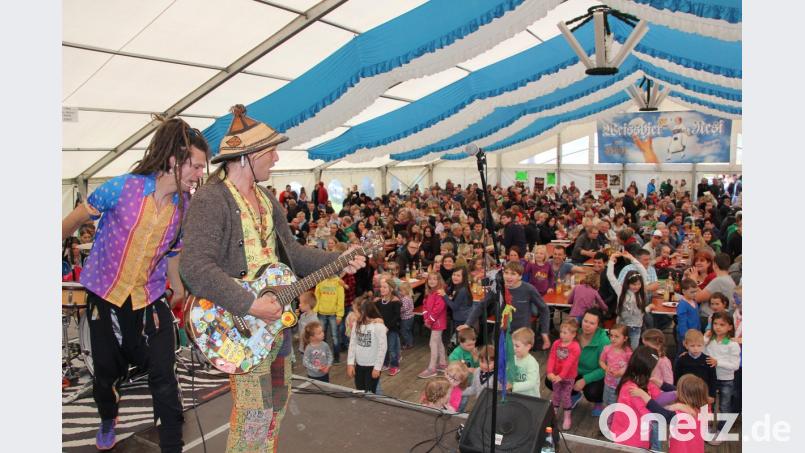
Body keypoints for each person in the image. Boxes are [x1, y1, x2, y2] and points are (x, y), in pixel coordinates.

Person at [179, 106, 365, 452]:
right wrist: (250, 304)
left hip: (275, 326)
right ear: (246, 157)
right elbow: (194, 266)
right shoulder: (211, 198)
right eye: (270, 152)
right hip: (242, 325)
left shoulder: (266, 199)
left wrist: (338, 261)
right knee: (253, 416)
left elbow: (292, 254)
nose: (277, 158)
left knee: (275, 408)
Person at [61, 117, 208, 452]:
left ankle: (172, 444)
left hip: (149, 296)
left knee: (164, 375)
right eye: (196, 166)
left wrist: (179, 290)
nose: (200, 174)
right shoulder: (123, 188)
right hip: (105, 295)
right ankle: (107, 418)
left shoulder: (182, 208)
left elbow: (173, 253)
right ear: (174, 160)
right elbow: (77, 218)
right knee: (107, 374)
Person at [546, 308, 610, 416]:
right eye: (585, 321)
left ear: (598, 325)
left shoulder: (604, 341)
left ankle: (598, 402)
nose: (587, 325)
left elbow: (606, 369)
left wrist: (585, 380)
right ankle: (574, 394)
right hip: (572, 372)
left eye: (592, 323)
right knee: (551, 381)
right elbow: (557, 355)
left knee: (592, 392)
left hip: (594, 374)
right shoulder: (574, 334)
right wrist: (552, 372)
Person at [629, 374, 710, 452]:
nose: (676, 391)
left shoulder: (683, 416)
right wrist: (662, 384)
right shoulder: (704, 408)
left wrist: (644, 396)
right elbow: (682, 390)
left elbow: (662, 414)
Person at [704, 311, 741, 443]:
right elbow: (702, 353)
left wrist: (717, 362)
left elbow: (735, 365)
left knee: (724, 406)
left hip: (726, 380)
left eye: (722, 324)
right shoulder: (709, 341)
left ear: (730, 327)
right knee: (708, 404)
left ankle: (722, 431)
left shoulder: (732, 345)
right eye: (715, 324)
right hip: (710, 379)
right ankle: (705, 428)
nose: (718, 327)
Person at [607, 252, 648, 350]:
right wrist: (611, 260)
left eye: (638, 284)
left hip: (636, 328)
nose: (636, 287)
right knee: (618, 349)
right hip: (621, 328)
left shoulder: (642, 292)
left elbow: (643, 271)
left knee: (632, 351)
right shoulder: (621, 291)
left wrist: (632, 258)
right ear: (627, 283)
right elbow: (610, 276)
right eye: (633, 284)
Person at [546, 319, 582, 430]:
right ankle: (554, 413)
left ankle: (567, 416)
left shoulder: (575, 347)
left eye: (565, 332)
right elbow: (552, 357)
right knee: (556, 395)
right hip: (556, 376)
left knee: (566, 397)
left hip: (568, 377)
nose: (562, 334)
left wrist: (561, 376)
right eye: (561, 331)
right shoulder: (556, 343)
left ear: (573, 334)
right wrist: (549, 372)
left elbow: (569, 364)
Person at [347, 297, 388, 393]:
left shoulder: (378, 326)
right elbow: (352, 344)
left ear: (363, 313)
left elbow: (383, 348)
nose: (353, 314)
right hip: (359, 365)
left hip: (372, 366)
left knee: (371, 392)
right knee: (360, 389)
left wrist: (377, 368)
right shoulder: (356, 325)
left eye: (355, 311)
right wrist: (350, 363)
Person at [673, 329, 717, 402]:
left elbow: (713, 379)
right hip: (686, 395)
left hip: (704, 395)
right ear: (686, 345)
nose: (696, 348)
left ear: (703, 344)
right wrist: (677, 392)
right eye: (692, 346)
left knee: (703, 413)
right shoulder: (681, 360)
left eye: (699, 345)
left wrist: (712, 395)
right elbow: (677, 378)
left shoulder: (708, 360)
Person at [418, 272, 448, 378]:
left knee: (433, 343)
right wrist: (426, 318)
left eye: (435, 279)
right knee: (438, 342)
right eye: (430, 279)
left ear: (439, 281)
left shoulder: (440, 293)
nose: (432, 281)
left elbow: (438, 309)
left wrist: (429, 321)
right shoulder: (429, 292)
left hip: (438, 322)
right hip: (432, 321)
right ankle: (443, 363)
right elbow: (425, 307)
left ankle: (432, 368)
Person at [599, 324, 632, 413]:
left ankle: (615, 420)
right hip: (608, 382)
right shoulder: (607, 349)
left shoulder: (628, 352)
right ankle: (606, 419)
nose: (613, 339)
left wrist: (622, 371)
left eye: (616, 336)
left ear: (625, 338)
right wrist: (606, 368)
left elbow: (631, 366)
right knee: (606, 401)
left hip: (620, 384)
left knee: (616, 404)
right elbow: (601, 361)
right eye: (611, 336)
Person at [375, 275, 402, 376]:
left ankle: (395, 365)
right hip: (382, 329)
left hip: (392, 329)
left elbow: (396, 317)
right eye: (381, 287)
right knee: (383, 347)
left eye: (385, 287)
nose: (382, 289)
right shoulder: (379, 301)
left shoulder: (395, 302)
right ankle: (385, 363)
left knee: (392, 348)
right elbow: (376, 314)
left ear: (391, 289)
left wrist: (387, 327)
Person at [315, 275, 345, 363]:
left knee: (335, 337)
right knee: (321, 337)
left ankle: (336, 358)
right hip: (321, 314)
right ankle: (323, 357)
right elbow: (317, 297)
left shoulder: (338, 282)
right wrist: (314, 311)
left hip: (333, 315)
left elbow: (341, 299)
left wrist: (339, 315)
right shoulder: (320, 280)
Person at [509, 327, 541, 397]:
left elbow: (531, 383)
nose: (513, 348)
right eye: (513, 345)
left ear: (528, 347)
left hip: (530, 397)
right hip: (517, 396)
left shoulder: (531, 362)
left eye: (517, 346)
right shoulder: (513, 359)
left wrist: (513, 386)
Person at [675, 279, 701, 355]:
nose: (694, 294)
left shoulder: (694, 301)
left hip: (694, 333)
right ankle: (678, 366)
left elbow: (697, 318)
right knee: (682, 353)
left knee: (692, 353)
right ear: (683, 291)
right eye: (692, 292)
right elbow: (682, 322)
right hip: (685, 335)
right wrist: (685, 336)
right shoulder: (683, 304)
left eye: (696, 291)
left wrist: (698, 332)